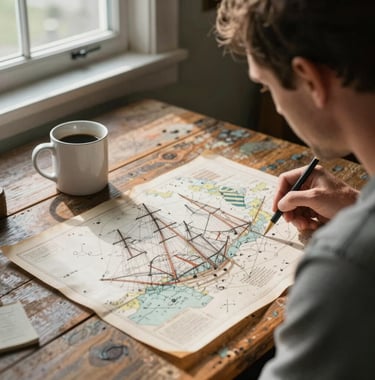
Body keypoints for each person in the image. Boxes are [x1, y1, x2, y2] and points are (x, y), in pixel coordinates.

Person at [215, 1, 375, 379]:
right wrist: (357, 208)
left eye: (267, 86)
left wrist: (354, 233)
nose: (278, 107)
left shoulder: (347, 267)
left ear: (308, 78)